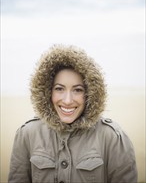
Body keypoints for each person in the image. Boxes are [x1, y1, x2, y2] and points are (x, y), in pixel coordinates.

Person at [8, 44, 137, 183]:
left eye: (77, 90)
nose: (68, 100)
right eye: (59, 89)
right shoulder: (27, 134)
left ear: (89, 93)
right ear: (47, 92)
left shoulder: (112, 138)